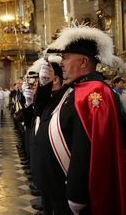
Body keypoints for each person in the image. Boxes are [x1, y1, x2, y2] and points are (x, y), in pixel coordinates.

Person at [34, 24, 126, 215]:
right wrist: (45, 84)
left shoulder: (95, 93)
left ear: (83, 62)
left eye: (66, 58)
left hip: (70, 190)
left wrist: (77, 194)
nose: (61, 63)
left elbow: (87, 148)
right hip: (56, 185)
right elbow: (42, 113)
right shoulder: (75, 90)